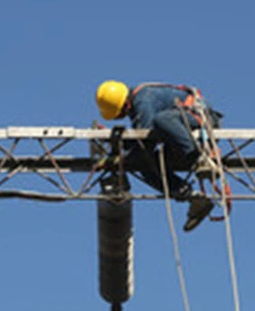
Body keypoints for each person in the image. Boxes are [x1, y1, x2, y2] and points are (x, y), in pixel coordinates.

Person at [95, 80, 222, 231]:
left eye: (118, 115)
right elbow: (142, 139)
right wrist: (117, 143)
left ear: (125, 105)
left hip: (199, 121)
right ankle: (193, 197)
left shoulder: (143, 99)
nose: (120, 118)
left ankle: (200, 159)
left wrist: (119, 160)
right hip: (180, 139)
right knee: (144, 166)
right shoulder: (138, 106)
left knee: (163, 120)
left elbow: (145, 144)